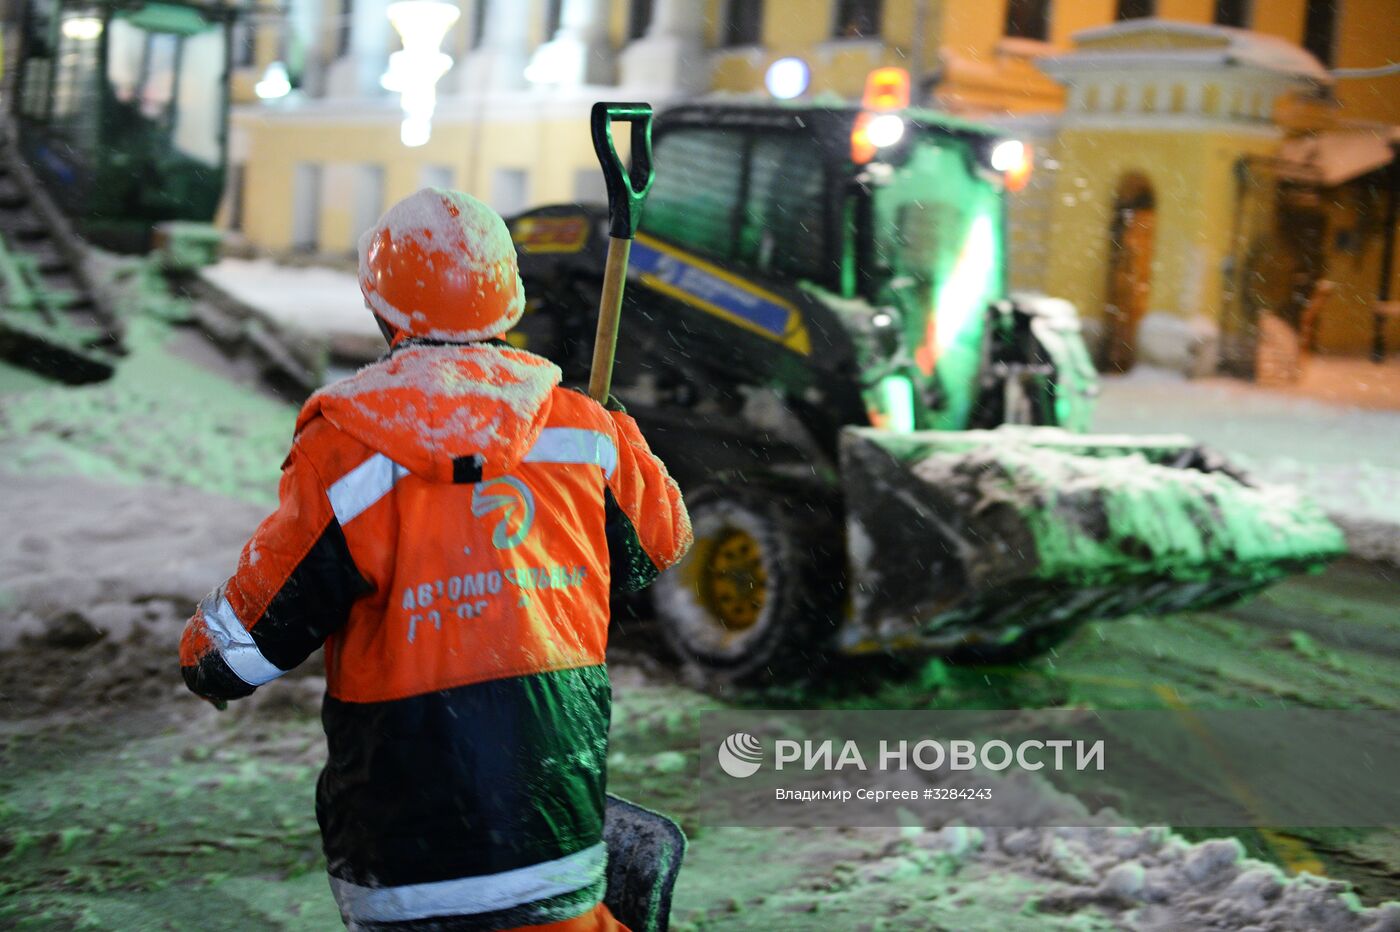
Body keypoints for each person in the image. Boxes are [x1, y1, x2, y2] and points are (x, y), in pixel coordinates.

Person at [179, 188, 692, 931]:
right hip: (551, 826)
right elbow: (658, 544)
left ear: (381, 308)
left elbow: (241, 653)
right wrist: (617, 437)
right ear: (508, 301)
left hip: (405, 855)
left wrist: (203, 653)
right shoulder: (583, 431)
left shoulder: (345, 448)